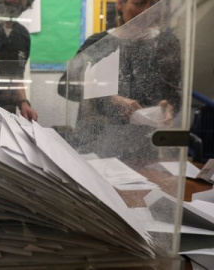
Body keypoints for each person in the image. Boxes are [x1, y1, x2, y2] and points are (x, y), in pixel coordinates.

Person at [57, 0, 182, 160]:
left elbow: (176, 94)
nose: (146, 12)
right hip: (99, 144)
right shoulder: (99, 43)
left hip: (145, 147)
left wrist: (169, 107)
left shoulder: (166, 44)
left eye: (152, 6)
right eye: (138, 4)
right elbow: (67, 86)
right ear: (120, 5)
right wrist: (111, 99)